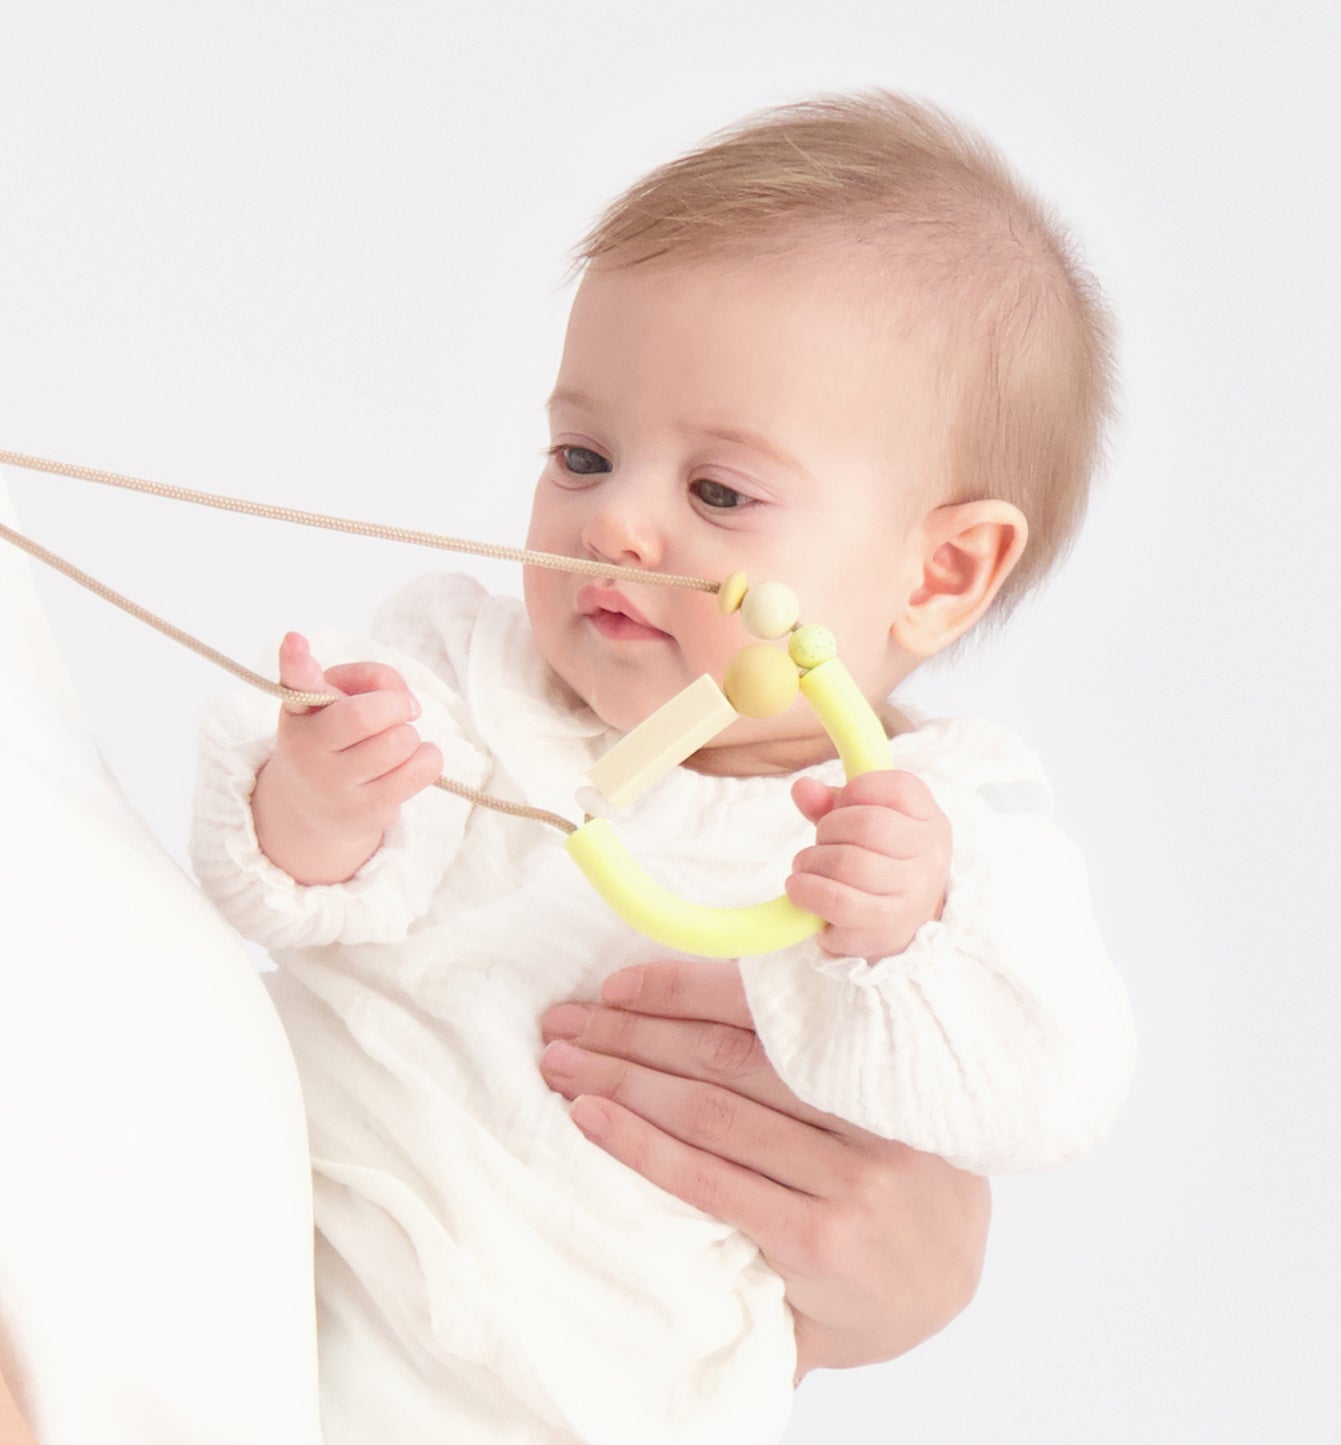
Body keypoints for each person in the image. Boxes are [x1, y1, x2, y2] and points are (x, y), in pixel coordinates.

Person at [190, 91, 1135, 1444]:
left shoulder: (950, 836)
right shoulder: (472, 678)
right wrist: (319, 799)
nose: (614, 520)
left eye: (718, 494)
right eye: (582, 455)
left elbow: (1048, 1082)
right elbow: (292, 888)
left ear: (939, 571)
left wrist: (905, 939)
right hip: (279, 1272)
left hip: (582, 1398)